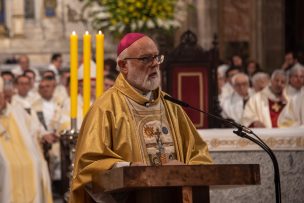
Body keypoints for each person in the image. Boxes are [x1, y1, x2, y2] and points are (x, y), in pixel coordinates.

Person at [69, 33, 212, 202]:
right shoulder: (105, 108)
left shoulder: (171, 105)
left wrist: (185, 169)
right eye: (145, 59)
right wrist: (129, 170)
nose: (154, 64)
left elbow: (199, 155)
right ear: (123, 66)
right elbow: (89, 166)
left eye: (157, 57)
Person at [0, 77, 53, 203]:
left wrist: (43, 134)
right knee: (8, 167)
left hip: (26, 156)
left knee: (35, 163)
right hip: (4, 160)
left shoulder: (18, 111)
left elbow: (35, 127)